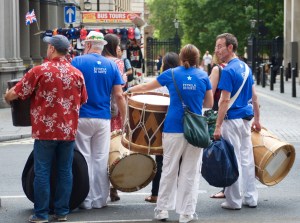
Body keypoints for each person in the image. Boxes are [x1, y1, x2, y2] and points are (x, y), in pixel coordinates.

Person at [124, 44, 213, 223]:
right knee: (190, 172)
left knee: (169, 169)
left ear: (181, 58)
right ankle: (186, 213)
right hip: (195, 130)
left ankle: (162, 210)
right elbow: (209, 103)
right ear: (197, 59)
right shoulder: (203, 76)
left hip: (173, 128)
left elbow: (145, 87)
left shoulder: (171, 74)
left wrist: (130, 90)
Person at [5, 34, 87, 223]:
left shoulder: (39, 71)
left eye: (48, 46)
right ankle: (61, 212)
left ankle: (41, 214)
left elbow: (15, 94)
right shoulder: (77, 73)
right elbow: (83, 99)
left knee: (42, 171)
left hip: (45, 130)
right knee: (65, 171)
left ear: (52, 49)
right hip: (68, 130)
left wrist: (6, 96)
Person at [71, 31, 126, 209]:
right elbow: (118, 95)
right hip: (103, 119)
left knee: (84, 158)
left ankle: (85, 200)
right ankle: (100, 199)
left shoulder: (78, 62)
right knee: (100, 158)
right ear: (102, 47)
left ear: (87, 45)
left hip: (82, 116)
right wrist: (124, 119)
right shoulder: (111, 66)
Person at [213, 33, 261, 210]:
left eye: (220, 46)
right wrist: (258, 119)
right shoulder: (246, 68)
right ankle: (251, 197)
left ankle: (234, 201)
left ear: (230, 47)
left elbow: (224, 101)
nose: (217, 50)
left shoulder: (228, 70)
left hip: (231, 120)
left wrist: (217, 125)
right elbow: (254, 96)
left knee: (233, 159)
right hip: (246, 119)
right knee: (247, 159)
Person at [144, 52, 180, 204]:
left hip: (160, 125)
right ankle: (177, 195)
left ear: (165, 64)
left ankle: (156, 194)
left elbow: (149, 96)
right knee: (178, 161)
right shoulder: (179, 78)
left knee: (160, 161)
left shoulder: (163, 80)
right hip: (178, 125)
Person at [102, 33, 127, 202]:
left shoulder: (100, 61)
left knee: (99, 151)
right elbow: (119, 89)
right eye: (117, 45)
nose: (119, 48)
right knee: (113, 149)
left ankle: (99, 188)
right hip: (115, 112)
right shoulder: (118, 63)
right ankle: (113, 187)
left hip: (99, 109)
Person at [208, 53, 227, 199]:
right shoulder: (241, 68)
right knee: (237, 154)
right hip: (240, 115)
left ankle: (226, 189)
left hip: (220, 114)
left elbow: (210, 94)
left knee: (223, 153)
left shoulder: (217, 70)